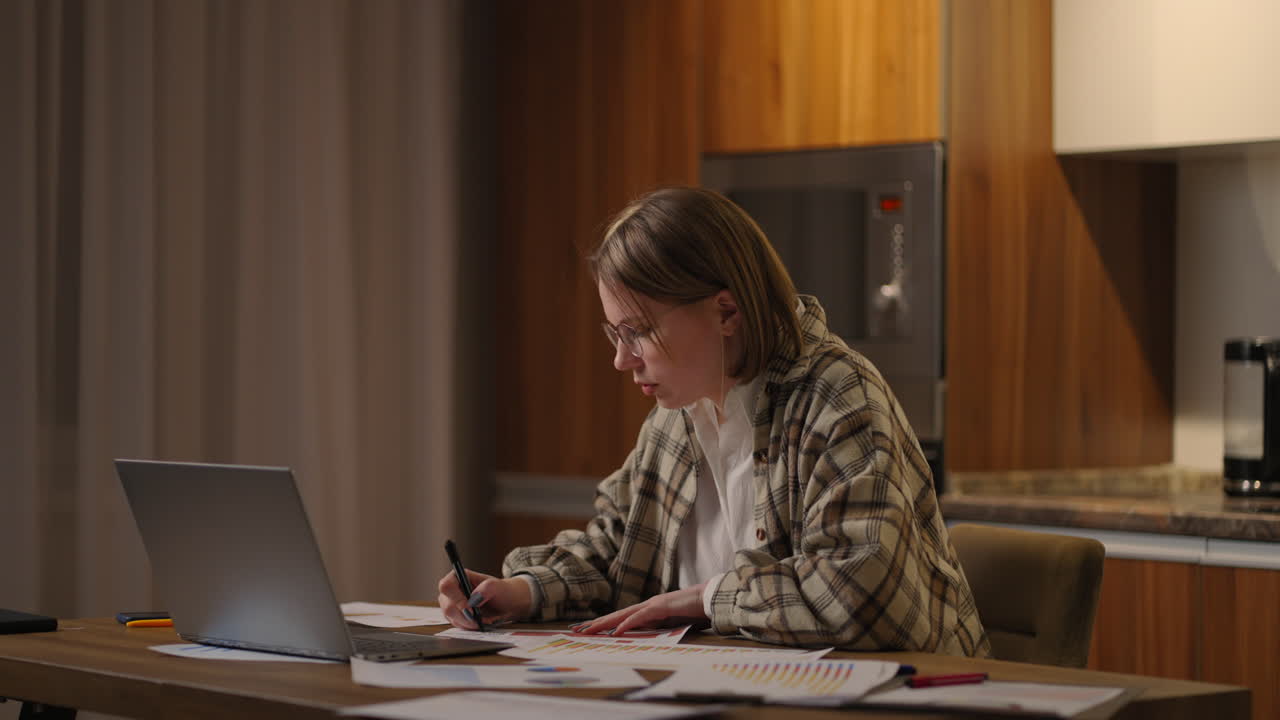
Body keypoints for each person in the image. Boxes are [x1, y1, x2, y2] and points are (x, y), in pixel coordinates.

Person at [438, 186, 989, 655]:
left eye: (638, 332)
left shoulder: (839, 396)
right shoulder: (676, 415)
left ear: (725, 312)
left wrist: (705, 598)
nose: (622, 360)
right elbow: (618, 551)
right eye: (615, 333)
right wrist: (526, 591)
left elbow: (858, 594)